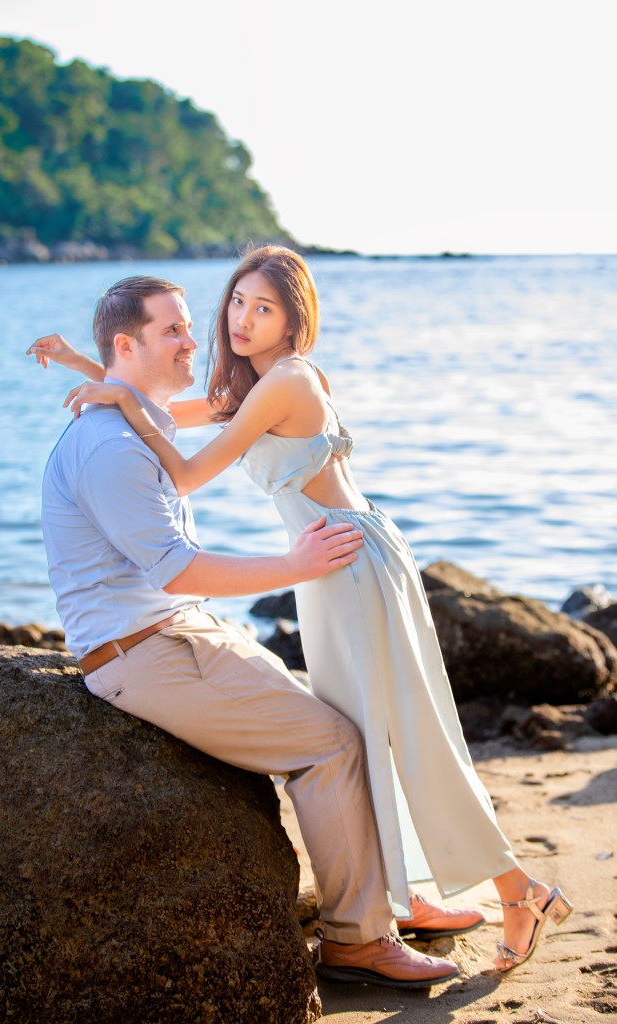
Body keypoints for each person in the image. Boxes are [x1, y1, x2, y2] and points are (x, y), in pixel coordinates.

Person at [30, 258, 572, 982]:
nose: (239, 322)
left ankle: (513, 891)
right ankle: (395, 894)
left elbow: (179, 459)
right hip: (326, 562)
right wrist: (92, 370)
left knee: (400, 731)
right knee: (360, 730)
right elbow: (165, 409)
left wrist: (123, 401)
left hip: (339, 559)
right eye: (237, 305)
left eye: (262, 309)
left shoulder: (285, 380)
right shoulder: (252, 387)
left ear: (293, 319)